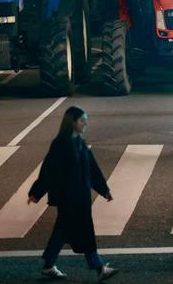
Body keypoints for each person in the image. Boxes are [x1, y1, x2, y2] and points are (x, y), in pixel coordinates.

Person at [28, 106, 118, 281]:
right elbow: (48, 171)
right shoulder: (61, 145)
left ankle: (48, 265)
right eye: (82, 120)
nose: (86, 123)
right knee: (85, 231)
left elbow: (92, 168)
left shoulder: (79, 142)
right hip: (68, 198)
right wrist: (36, 192)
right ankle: (98, 267)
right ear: (73, 122)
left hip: (80, 197)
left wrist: (104, 190)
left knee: (61, 232)